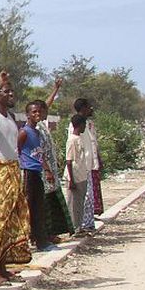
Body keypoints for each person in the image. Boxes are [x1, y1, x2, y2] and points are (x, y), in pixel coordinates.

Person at [0, 71, 32, 287]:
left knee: (12, 219)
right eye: (6, 91)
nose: (11, 94)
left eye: (12, 90)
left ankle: (2, 267)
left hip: (12, 169)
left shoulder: (10, 117)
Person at [36, 80, 74, 242]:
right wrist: (46, 169)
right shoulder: (35, 128)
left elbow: (46, 104)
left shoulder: (42, 124)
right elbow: (37, 152)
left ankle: (54, 233)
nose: (43, 112)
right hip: (43, 173)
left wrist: (56, 89)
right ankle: (47, 235)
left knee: (53, 202)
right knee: (45, 205)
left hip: (51, 171)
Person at [18, 101, 57, 252]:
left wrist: (47, 170)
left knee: (39, 208)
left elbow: (40, 154)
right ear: (27, 115)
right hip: (28, 172)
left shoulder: (37, 132)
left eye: (39, 112)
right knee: (28, 207)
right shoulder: (24, 132)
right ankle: (25, 241)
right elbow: (17, 150)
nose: (37, 115)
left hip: (37, 172)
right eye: (34, 112)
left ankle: (41, 240)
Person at [68, 98, 100, 231]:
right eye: (88, 107)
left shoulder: (86, 125)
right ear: (83, 108)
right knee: (81, 199)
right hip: (80, 168)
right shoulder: (75, 126)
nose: (91, 109)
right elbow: (71, 154)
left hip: (87, 166)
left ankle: (87, 224)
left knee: (88, 198)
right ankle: (80, 226)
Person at [64, 115, 89, 231]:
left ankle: (79, 226)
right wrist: (71, 180)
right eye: (84, 125)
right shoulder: (72, 140)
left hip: (82, 175)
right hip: (74, 176)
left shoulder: (80, 139)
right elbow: (69, 160)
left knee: (80, 203)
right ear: (80, 125)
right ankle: (73, 228)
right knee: (73, 204)